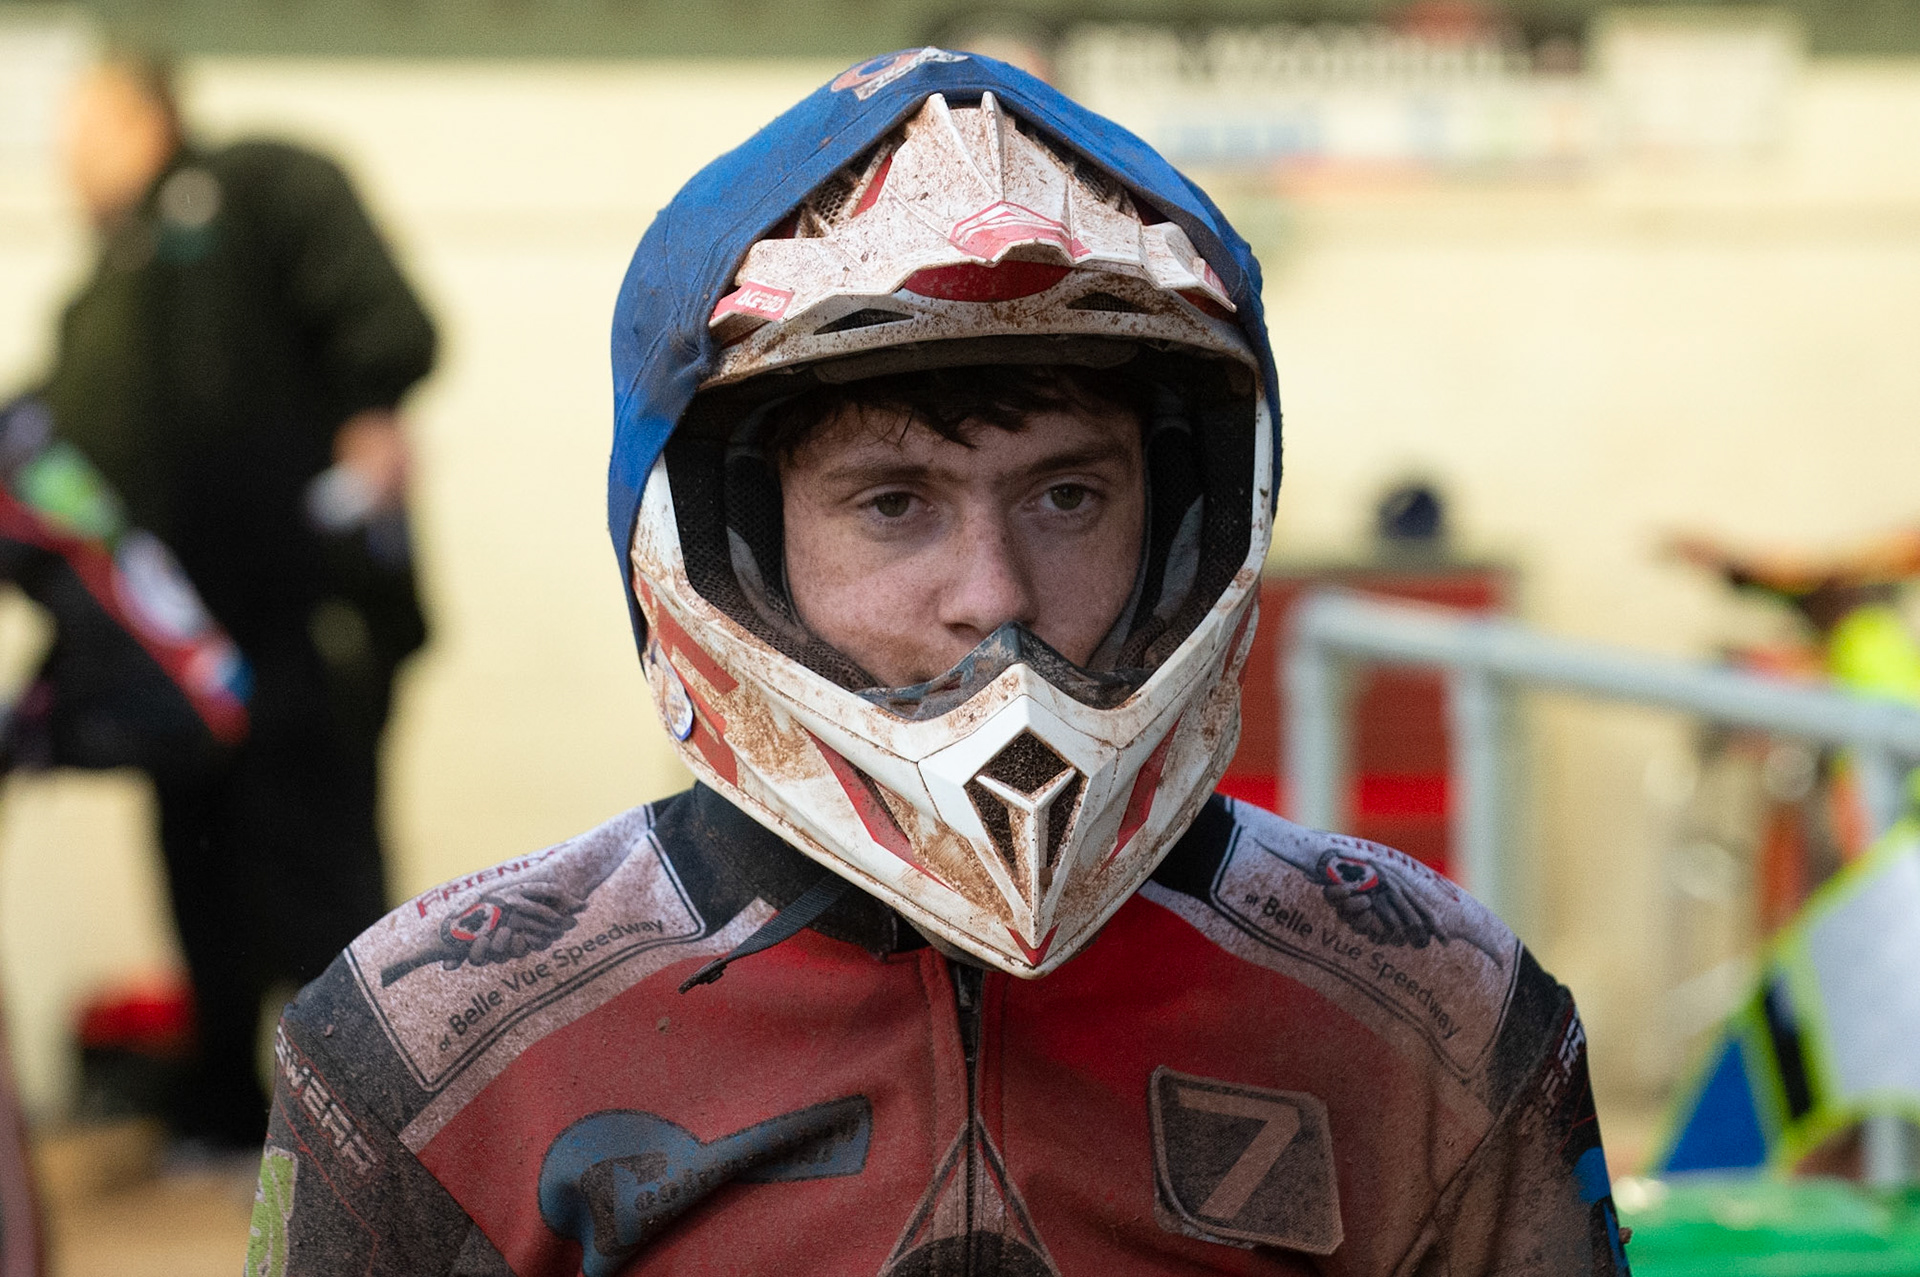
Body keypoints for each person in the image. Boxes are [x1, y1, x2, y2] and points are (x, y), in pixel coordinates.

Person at [252, 51, 1627, 1274]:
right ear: (732, 539)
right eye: (893, 502)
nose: (996, 595)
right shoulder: (441, 1055)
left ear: (1184, 522)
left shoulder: (1431, 1017)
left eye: (1069, 496)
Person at [40, 51, 434, 1151]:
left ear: (143, 108)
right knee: (199, 873)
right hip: (168, 657)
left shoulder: (256, 186)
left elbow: (379, 339)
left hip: (297, 611)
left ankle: (374, 1130)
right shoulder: (99, 287)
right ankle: (220, 1112)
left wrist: (373, 420)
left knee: (321, 868)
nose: (66, 153)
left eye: (85, 123)